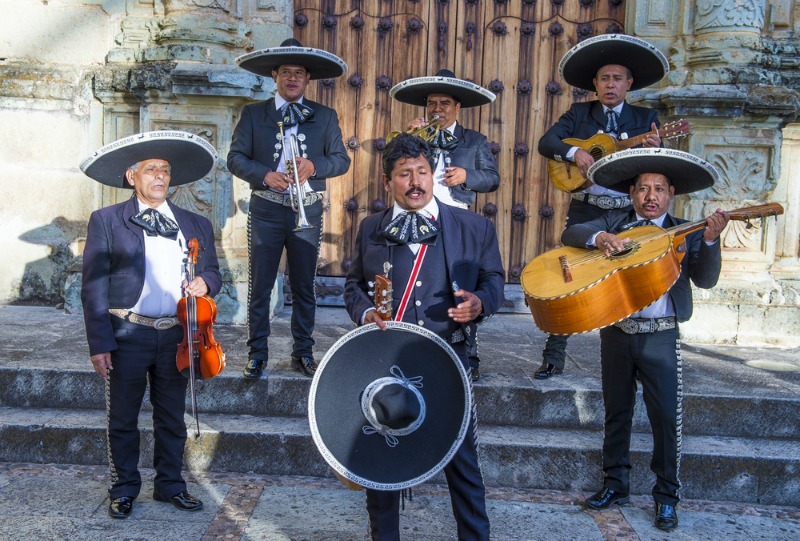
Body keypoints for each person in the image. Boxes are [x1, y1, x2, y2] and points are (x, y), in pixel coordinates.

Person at [344, 133, 505, 540]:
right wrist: (363, 311)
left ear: (433, 176)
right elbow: (353, 285)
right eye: (404, 174)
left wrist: (480, 303)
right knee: (382, 464)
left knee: (461, 460)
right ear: (388, 182)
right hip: (385, 363)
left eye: (422, 172)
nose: (415, 182)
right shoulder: (370, 228)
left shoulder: (474, 227)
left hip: (449, 361)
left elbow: (494, 280)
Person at [561, 148, 730, 531]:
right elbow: (571, 232)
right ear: (632, 194)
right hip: (617, 333)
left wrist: (712, 240)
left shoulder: (687, 231)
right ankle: (615, 485)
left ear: (671, 193)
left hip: (661, 336)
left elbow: (705, 280)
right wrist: (601, 236)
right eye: (642, 189)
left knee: (665, 419)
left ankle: (666, 497)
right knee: (616, 413)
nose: (650, 196)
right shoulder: (616, 221)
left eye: (658, 189)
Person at [79, 131, 222, 519]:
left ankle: (170, 485)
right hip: (127, 333)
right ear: (131, 177)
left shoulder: (196, 223)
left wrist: (205, 282)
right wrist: (99, 342)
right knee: (123, 417)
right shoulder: (107, 220)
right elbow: (92, 287)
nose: (160, 176)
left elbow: (213, 271)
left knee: (172, 417)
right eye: (151, 169)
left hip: (176, 335)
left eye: (165, 170)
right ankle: (124, 487)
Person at [535, 34, 669, 379]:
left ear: (629, 83)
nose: (611, 85)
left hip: (628, 211)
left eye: (618, 78)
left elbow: (658, 167)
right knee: (568, 274)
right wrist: (573, 152)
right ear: (595, 84)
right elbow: (546, 142)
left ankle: (629, 356)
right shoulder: (579, 113)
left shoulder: (646, 117)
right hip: (587, 207)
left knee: (629, 273)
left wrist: (654, 147)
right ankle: (553, 357)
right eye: (605, 78)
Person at [228, 38, 351, 379]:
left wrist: (314, 166)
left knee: (303, 286)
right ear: (274, 76)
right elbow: (235, 158)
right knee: (261, 284)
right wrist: (265, 175)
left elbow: (342, 160)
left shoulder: (325, 116)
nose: (292, 78)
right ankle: (257, 353)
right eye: (286, 73)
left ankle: (303, 353)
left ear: (307, 78)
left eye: (299, 73)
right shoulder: (254, 114)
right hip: (267, 208)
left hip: (307, 210)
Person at [389, 68, 500, 381]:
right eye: (433, 104)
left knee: (461, 284)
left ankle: (470, 354)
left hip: (457, 218)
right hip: (418, 214)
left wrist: (468, 176)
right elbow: (393, 163)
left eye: (444, 104)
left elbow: (493, 179)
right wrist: (407, 136)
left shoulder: (475, 140)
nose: (438, 109)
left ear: (457, 107)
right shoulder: (417, 136)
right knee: (422, 283)